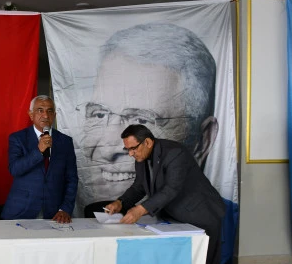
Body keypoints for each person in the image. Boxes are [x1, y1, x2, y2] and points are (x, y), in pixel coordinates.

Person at [81, 23, 218, 209]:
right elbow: (140, 187)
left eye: (141, 120)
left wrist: (139, 211)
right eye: (99, 114)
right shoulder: (140, 156)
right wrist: (122, 204)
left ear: (202, 142)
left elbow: (167, 189)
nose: (106, 151)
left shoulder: (215, 216)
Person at [104, 124, 224, 264]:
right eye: (127, 149)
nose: (131, 154)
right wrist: (120, 203)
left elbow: (171, 189)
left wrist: (141, 209)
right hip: (176, 219)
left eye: (133, 148)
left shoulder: (175, 153)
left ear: (148, 142)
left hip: (202, 215)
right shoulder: (142, 158)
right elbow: (139, 187)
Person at [1, 95, 78, 223]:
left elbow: (72, 179)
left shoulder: (65, 142)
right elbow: (14, 169)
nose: (45, 115)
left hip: (54, 214)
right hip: (21, 211)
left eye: (49, 111)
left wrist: (65, 208)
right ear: (31, 115)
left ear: (54, 115)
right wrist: (38, 151)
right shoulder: (18, 138)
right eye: (40, 110)